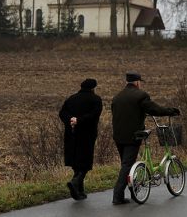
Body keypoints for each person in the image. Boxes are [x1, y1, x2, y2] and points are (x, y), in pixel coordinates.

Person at [111, 71, 180, 205]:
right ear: (137, 82)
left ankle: (134, 190)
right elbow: (155, 110)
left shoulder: (117, 96)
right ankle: (117, 196)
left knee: (127, 165)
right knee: (127, 165)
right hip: (133, 136)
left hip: (118, 136)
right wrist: (171, 111)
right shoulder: (141, 95)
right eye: (140, 82)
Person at [59, 78, 103, 200]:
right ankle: (75, 182)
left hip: (71, 134)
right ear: (93, 88)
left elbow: (62, 113)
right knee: (85, 162)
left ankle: (79, 192)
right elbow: (94, 114)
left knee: (76, 161)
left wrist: (71, 120)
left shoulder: (71, 99)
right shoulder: (96, 99)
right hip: (87, 134)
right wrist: (79, 120)